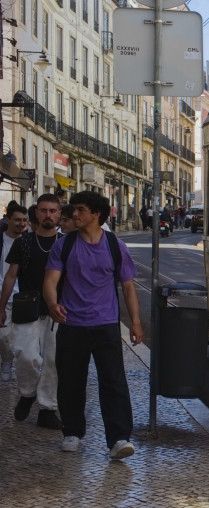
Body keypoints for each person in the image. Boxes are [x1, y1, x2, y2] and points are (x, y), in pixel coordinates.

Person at [43, 191, 142, 459]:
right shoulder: (63, 245)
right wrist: (53, 304)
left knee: (114, 382)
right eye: (73, 209)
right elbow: (50, 281)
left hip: (106, 324)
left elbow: (128, 286)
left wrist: (134, 322)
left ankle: (119, 439)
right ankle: (72, 433)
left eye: (80, 209)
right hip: (71, 324)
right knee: (71, 382)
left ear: (96, 214)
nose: (74, 214)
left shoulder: (114, 245)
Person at [0, 194, 63, 429]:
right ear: (36, 213)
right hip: (27, 309)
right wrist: (1, 307)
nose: (48, 215)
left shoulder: (65, 243)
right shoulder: (24, 242)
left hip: (58, 311)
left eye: (52, 211)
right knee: (24, 354)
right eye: (44, 211)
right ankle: (27, 393)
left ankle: (47, 408)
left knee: (53, 362)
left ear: (58, 214)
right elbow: (10, 276)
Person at [0, 204, 30, 381]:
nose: (21, 223)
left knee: (24, 340)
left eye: (24, 220)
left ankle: (23, 368)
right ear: (7, 220)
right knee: (2, 335)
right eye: (17, 220)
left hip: (23, 297)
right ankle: (6, 359)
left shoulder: (29, 241)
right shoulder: (1, 240)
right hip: (2, 295)